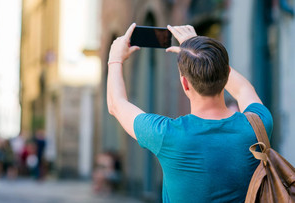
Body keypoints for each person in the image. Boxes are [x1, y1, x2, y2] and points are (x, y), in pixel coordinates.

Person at [107, 23, 273, 202]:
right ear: (225, 76)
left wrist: (115, 59)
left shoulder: (166, 134)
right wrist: (195, 48)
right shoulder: (258, 124)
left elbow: (116, 104)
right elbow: (242, 89)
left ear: (185, 84)